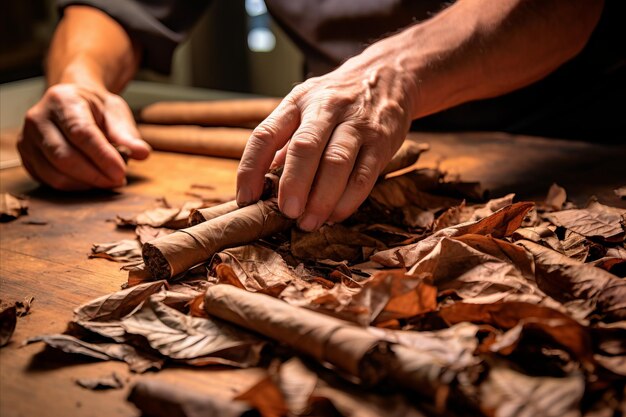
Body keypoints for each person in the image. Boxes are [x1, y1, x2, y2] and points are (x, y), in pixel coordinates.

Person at [18, 0, 623, 232]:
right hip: (346, 126)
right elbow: (116, 9)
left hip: (562, 137)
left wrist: (396, 73)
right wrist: (79, 80)